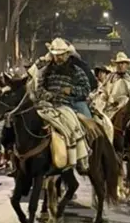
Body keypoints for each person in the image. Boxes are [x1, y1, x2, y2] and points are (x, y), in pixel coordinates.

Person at [31, 37, 94, 170]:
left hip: (68, 104)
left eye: (61, 55)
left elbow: (86, 89)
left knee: (75, 126)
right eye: (56, 55)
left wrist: (71, 90)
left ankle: (83, 156)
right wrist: (45, 94)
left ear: (67, 55)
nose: (58, 58)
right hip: (46, 104)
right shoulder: (45, 71)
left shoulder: (77, 71)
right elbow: (39, 87)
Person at [99, 52, 130, 118]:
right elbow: (103, 91)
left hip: (129, 108)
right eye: (118, 63)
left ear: (127, 65)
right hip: (112, 108)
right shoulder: (110, 77)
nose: (120, 65)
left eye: (122, 63)